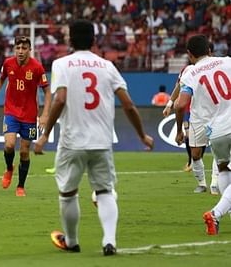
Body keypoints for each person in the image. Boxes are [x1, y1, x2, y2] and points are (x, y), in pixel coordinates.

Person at [34, 19, 154, 256]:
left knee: (68, 193)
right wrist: (142, 135)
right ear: (94, 40)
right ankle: (109, 241)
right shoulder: (107, 66)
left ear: (69, 40)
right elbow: (128, 105)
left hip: (72, 142)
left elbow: (60, 99)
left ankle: (71, 241)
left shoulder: (61, 64)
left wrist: (45, 133)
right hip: (101, 141)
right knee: (105, 191)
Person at [174, 34, 231, 235]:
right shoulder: (227, 62)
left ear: (189, 55)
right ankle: (216, 213)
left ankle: (222, 212)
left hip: (217, 132)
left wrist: (180, 129)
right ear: (209, 49)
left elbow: (180, 104)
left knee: (224, 170)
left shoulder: (191, 73)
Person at [0, 35, 51, 197]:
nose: (20, 51)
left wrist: (45, 114)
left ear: (30, 50)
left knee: (25, 152)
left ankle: (20, 186)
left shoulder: (37, 68)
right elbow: (1, 80)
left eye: (24, 48)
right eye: (17, 48)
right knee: (9, 145)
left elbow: (47, 91)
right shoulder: (8, 63)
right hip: (11, 111)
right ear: (14, 49)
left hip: (29, 115)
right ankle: (9, 168)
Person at [164, 43, 220, 194]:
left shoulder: (221, 65)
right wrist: (169, 103)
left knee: (217, 149)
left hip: (216, 115)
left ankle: (215, 183)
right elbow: (178, 86)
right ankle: (202, 184)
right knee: (195, 154)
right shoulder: (189, 71)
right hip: (197, 117)